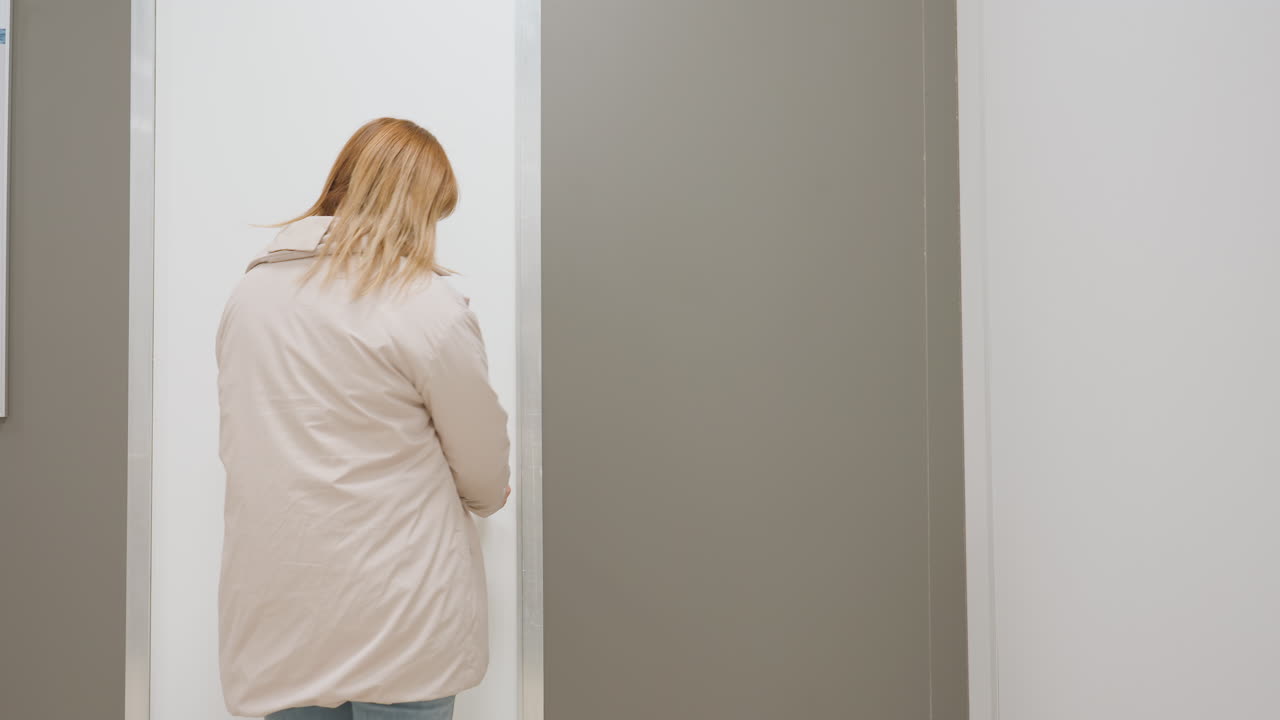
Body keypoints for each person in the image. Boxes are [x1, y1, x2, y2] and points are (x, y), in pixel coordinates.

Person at [215, 117, 511, 720]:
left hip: (279, 615)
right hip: (402, 614)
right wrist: (487, 494)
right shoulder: (426, 305)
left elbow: (242, 440)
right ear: (416, 206)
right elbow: (482, 470)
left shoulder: (250, 297)